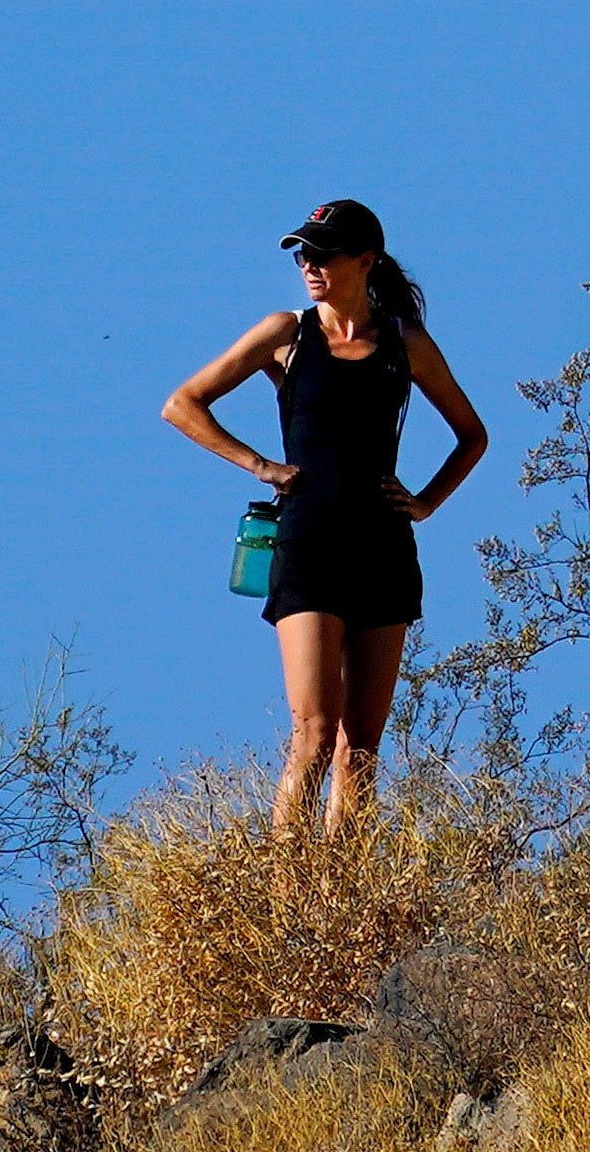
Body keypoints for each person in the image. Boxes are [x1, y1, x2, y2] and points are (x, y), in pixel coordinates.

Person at [162, 198, 490, 842]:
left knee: (360, 747)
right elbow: (183, 404)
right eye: (303, 254)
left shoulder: (405, 342)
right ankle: (288, 883)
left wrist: (426, 502)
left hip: (384, 550)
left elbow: (472, 435)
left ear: (365, 261)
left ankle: (344, 885)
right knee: (314, 731)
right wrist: (260, 465)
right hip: (308, 545)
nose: (309, 264)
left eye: (323, 253)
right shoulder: (286, 333)